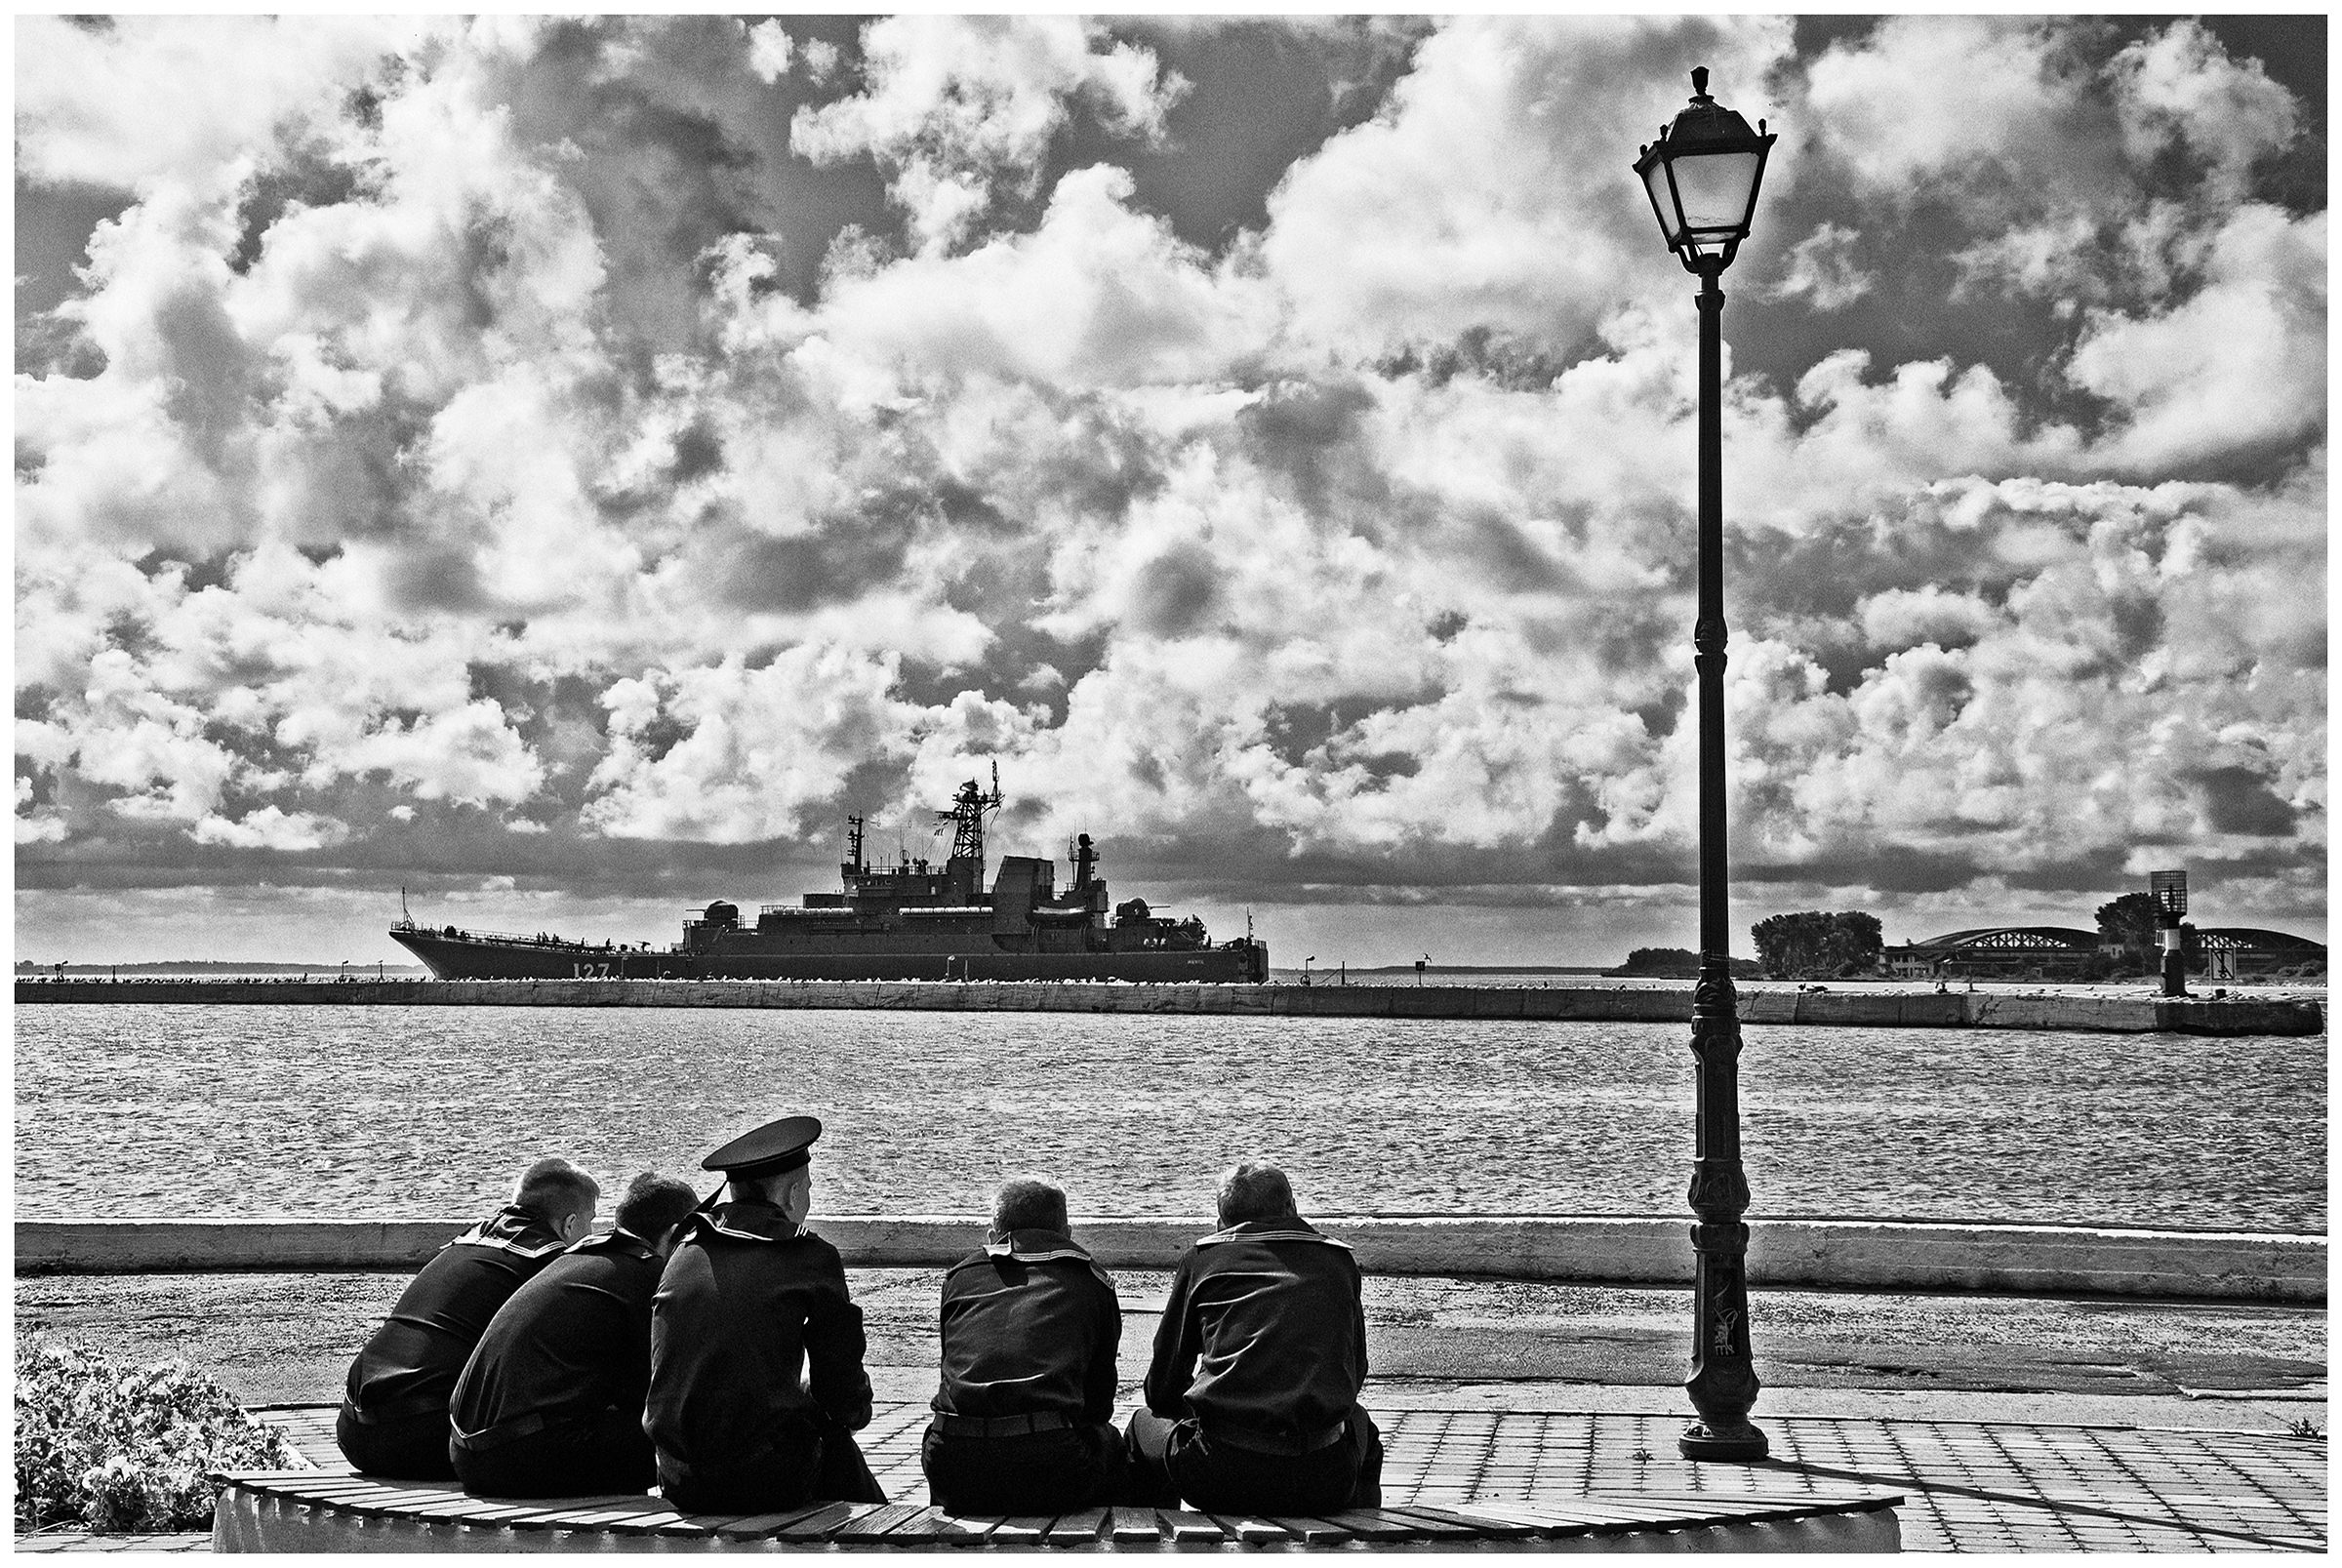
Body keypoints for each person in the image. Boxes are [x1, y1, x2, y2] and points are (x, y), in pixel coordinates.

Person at [645, 1115, 885, 1512]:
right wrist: (853, 1412)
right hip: (761, 1480)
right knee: (831, 1429)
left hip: (677, 1477)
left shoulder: (686, 1250)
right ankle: (883, 1532)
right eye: (808, 1188)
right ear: (793, 1194)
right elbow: (840, 1388)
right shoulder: (808, 1255)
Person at [1126, 1160, 1383, 1514]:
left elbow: (1163, 1385)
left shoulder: (1202, 1261)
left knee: (1142, 1424)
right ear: (1292, 1208)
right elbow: (1354, 1372)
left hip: (1221, 1474)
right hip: (1323, 1480)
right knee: (1362, 1425)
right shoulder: (1339, 1262)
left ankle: (1151, 1535)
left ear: (1222, 1222)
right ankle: (1363, 1532)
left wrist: (1200, 1415)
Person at [337, 1158, 600, 1479]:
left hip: (353, 1426)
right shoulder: (550, 1266)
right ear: (570, 1224)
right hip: (416, 1436)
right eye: (591, 1221)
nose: (592, 1233)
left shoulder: (465, 1243)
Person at [448, 1172, 702, 1497]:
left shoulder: (577, 1260)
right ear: (674, 1234)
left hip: (466, 1453)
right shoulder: (649, 1276)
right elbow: (663, 1389)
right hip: (516, 1458)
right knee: (690, 1435)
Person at [923, 1177, 1124, 1513]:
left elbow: (950, 1373)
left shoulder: (960, 1278)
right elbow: (1099, 1405)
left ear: (993, 1236)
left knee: (946, 1438)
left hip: (953, 1465)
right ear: (1067, 1233)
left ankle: (945, 1533)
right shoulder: (1092, 1282)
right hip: (1052, 1464)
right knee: (1115, 1446)